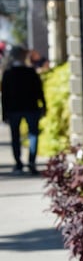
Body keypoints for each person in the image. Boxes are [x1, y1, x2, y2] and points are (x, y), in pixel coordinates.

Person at [2, 46, 45, 174]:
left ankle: (18, 164)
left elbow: (4, 95)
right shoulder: (31, 72)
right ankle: (31, 161)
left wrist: (4, 113)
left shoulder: (8, 73)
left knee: (15, 136)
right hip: (31, 108)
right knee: (33, 134)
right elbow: (39, 90)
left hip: (14, 109)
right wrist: (44, 105)